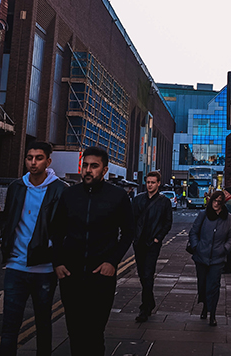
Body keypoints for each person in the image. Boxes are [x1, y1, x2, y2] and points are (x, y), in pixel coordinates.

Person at [51, 146, 134, 356]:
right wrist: (58, 263)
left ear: (104, 170)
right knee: (75, 332)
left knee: (95, 332)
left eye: (94, 166)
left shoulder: (117, 197)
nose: (88, 170)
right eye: (85, 165)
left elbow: (128, 233)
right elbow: (56, 231)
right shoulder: (69, 195)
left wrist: (112, 262)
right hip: (71, 274)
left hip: (101, 275)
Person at [0, 142, 67, 356]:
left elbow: (63, 229)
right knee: (9, 326)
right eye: (29, 158)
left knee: (43, 324)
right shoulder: (16, 187)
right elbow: (9, 219)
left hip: (44, 269)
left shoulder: (60, 190)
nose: (33, 162)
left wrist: (57, 257)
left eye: (38, 158)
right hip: (15, 266)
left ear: (48, 161)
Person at [131, 169, 173, 323]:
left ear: (158, 184)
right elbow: (132, 220)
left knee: (148, 274)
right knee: (143, 275)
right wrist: (134, 237)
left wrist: (158, 238)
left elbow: (167, 222)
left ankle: (144, 308)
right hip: (139, 243)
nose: (149, 185)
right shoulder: (138, 200)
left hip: (152, 243)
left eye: (153, 182)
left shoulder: (164, 202)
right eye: (148, 182)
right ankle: (151, 301)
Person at [189, 189, 231, 325]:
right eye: (214, 200)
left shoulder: (228, 218)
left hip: (217, 258)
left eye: (219, 202)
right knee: (202, 285)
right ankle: (205, 306)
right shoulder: (203, 214)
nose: (216, 204)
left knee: (214, 286)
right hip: (201, 256)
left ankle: (213, 314)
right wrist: (196, 247)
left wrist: (224, 249)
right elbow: (193, 232)